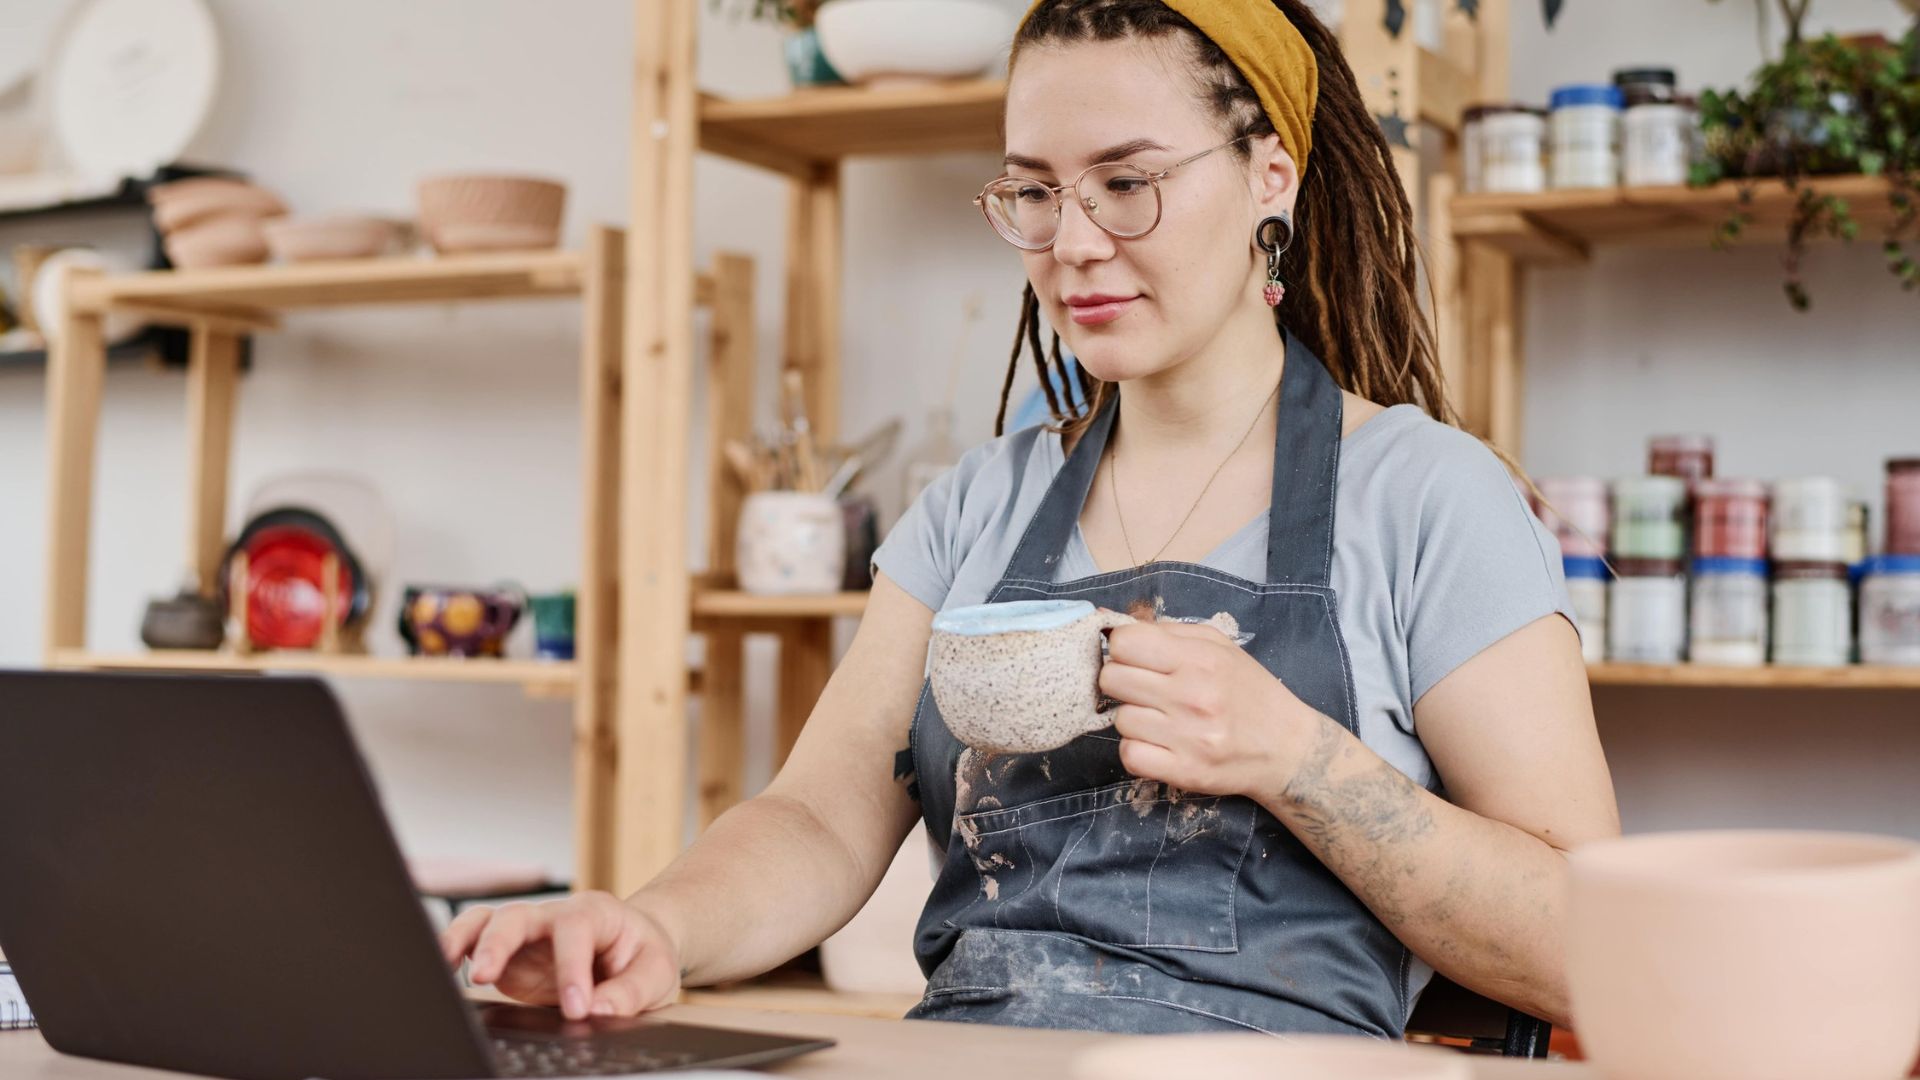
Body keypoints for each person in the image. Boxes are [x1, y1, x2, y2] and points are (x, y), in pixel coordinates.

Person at [441, 0, 1620, 1038]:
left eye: (1127, 182)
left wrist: (1298, 758)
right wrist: (652, 926)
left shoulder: (1430, 498)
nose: (1074, 244)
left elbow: (1592, 954)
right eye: (1034, 191)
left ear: (1271, 174)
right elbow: (816, 816)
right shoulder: (979, 503)